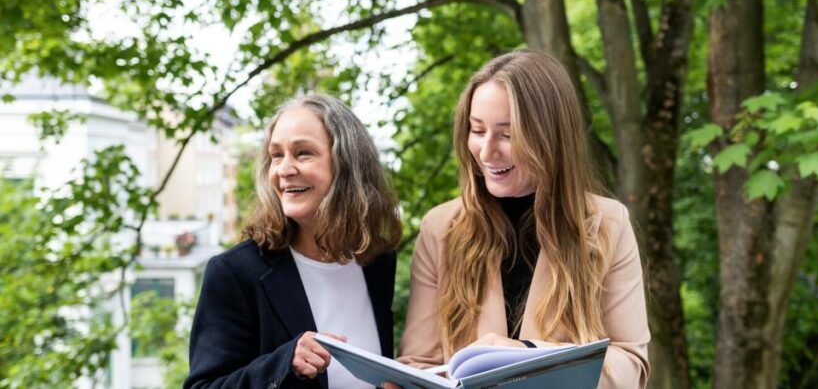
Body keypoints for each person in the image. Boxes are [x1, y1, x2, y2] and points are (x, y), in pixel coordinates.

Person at [397, 50, 650, 388]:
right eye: (477, 130)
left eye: (507, 133)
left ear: (550, 136)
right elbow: (420, 363)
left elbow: (630, 364)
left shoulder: (607, 223)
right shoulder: (440, 228)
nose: (487, 151)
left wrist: (527, 355)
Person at [185, 94, 401, 389]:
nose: (284, 169)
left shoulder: (377, 260)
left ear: (348, 165)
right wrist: (285, 363)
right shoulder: (234, 273)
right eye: (276, 155)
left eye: (303, 153)